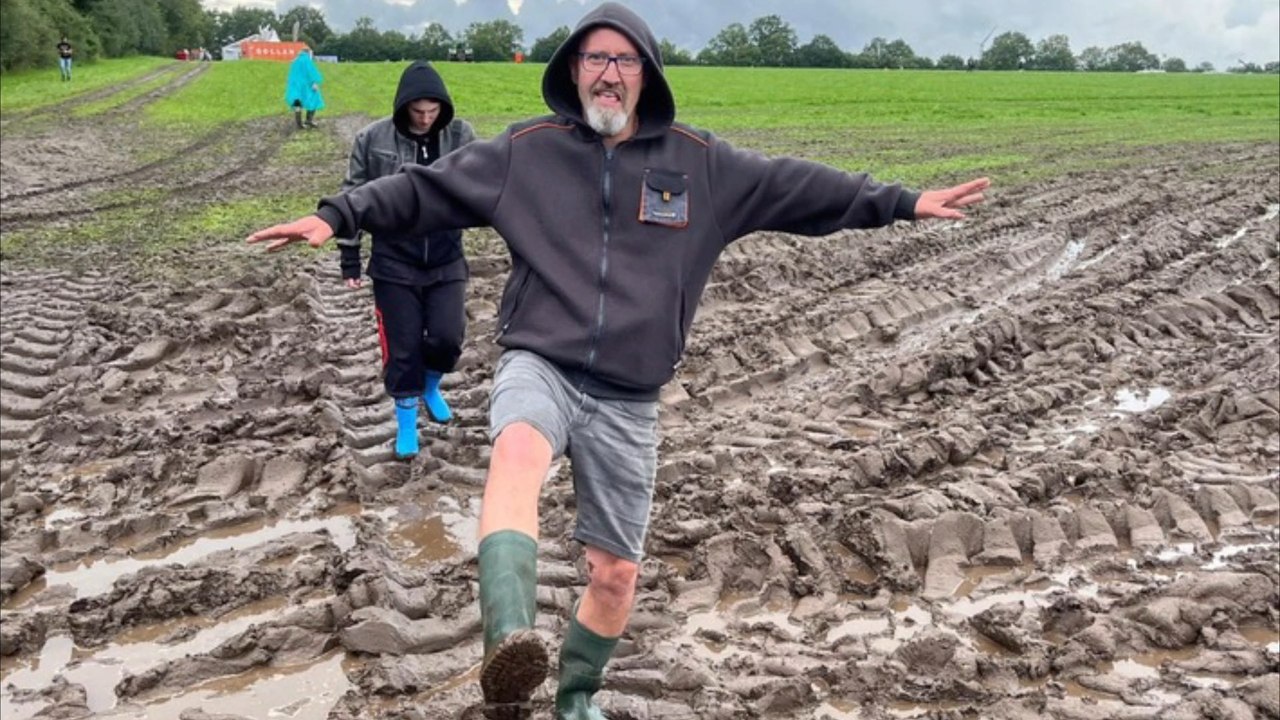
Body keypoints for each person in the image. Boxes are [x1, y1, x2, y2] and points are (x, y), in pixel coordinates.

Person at [247, 3, 990, 718]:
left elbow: (801, 186)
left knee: (615, 575)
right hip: (541, 358)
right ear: (573, 70)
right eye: (595, 58)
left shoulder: (700, 164)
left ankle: (576, 698)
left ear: (647, 74)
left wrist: (904, 200)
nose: (609, 73)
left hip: (630, 393)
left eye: (625, 60)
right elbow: (423, 189)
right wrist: (337, 215)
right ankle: (509, 643)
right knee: (515, 454)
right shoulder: (527, 151)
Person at [338, 61, 476, 459]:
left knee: (448, 338)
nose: (426, 118)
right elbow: (353, 197)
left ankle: (430, 386)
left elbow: (484, 183)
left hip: (446, 256)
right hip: (394, 260)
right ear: (403, 107)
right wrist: (350, 256)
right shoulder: (371, 139)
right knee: (402, 348)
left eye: (433, 111)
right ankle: (406, 424)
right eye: (418, 111)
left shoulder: (461, 135)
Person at [284, 48, 324, 129]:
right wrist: (314, 82)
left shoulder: (295, 61)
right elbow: (311, 72)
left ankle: (299, 124)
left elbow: (291, 75)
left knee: (297, 102)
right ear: (308, 53)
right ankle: (309, 120)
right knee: (314, 99)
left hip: (295, 86)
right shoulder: (306, 60)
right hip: (306, 86)